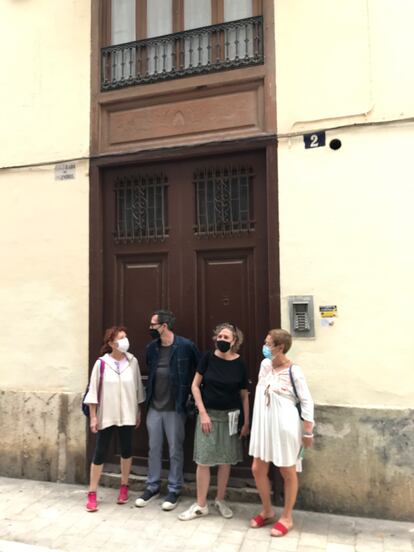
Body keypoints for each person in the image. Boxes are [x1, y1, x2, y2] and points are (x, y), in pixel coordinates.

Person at [178, 322, 250, 521]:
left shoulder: (240, 364)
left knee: (225, 461)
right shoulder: (207, 358)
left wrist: (246, 422)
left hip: (231, 418)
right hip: (208, 417)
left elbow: (244, 395)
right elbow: (195, 386)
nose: (222, 340)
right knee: (204, 460)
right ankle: (201, 505)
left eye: (226, 338)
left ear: (234, 341)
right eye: (219, 337)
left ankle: (220, 499)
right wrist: (203, 413)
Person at [248, 329, 314, 536]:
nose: (265, 346)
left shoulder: (294, 371)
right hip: (264, 425)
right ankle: (267, 510)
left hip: (285, 425)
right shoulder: (264, 365)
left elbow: (306, 400)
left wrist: (308, 431)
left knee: (287, 470)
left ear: (280, 347)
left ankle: (287, 517)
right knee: (258, 467)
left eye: (269, 343)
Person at [135, 309, 201, 511]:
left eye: (153, 324)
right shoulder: (151, 348)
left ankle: (174, 489)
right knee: (154, 448)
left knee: (175, 449)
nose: (150, 328)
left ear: (164, 326)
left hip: (176, 407)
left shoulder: (185, 346)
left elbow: (196, 371)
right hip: (154, 405)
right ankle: (152, 486)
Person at [84, 326, 145, 512]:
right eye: (121, 338)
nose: (125, 340)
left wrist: (138, 412)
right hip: (107, 414)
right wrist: (93, 417)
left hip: (128, 414)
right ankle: (92, 492)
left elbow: (137, 389)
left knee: (127, 450)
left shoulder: (132, 361)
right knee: (100, 452)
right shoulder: (101, 363)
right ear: (111, 343)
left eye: (125, 337)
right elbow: (93, 391)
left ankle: (124, 486)